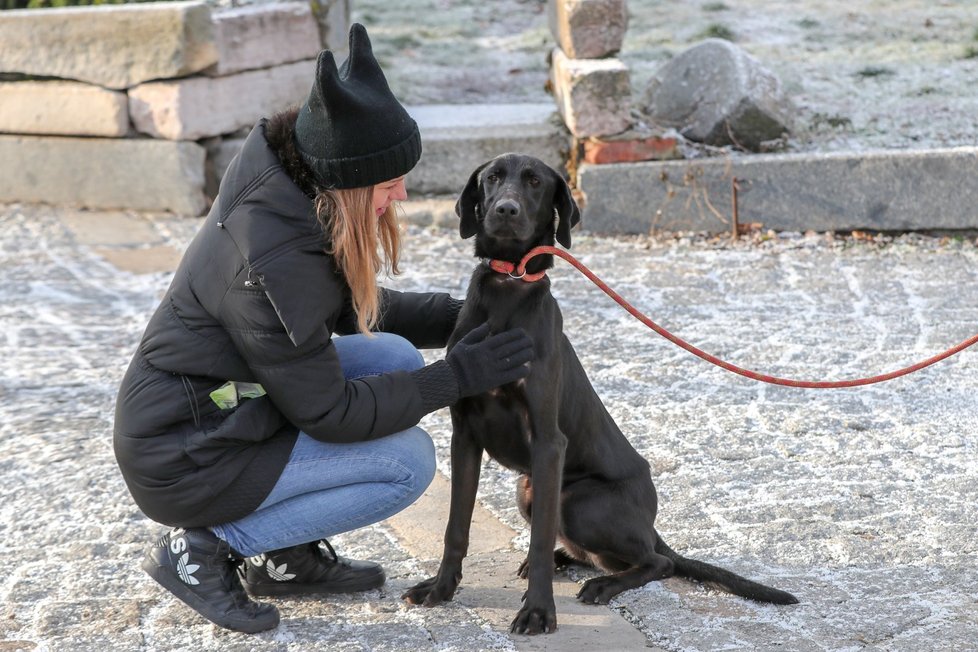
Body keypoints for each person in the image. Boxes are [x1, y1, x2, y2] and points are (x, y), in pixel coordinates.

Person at [113, 23, 535, 634]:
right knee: (406, 463)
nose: (402, 194)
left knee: (390, 354)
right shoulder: (272, 265)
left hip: (230, 410)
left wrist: (464, 315)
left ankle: (286, 555)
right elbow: (330, 413)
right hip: (188, 453)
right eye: (389, 183)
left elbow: (349, 311)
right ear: (351, 183)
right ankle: (208, 548)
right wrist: (460, 376)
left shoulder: (294, 191)